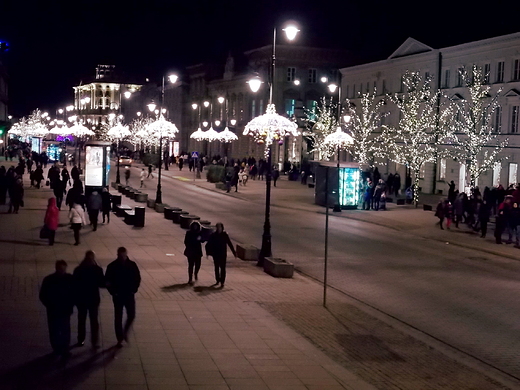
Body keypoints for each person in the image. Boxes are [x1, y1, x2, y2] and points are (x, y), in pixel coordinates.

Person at [105, 247, 141, 347]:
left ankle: (124, 332)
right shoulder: (112, 266)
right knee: (118, 317)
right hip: (118, 295)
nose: (122, 258)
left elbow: (137, 278)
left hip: (129, 294)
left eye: (123, 256)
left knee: (131, 315)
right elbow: (107, 281)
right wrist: (113, 292)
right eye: (120, 256)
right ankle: (120, 338)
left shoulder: (132, 265)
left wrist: (134, 290)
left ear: (126, 255)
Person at [39, 260, 75, 357]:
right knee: (57, 329)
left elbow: (74, 293)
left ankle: (63, 348)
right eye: (60, 269)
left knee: (63, 329)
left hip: (61, 309)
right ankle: (58, 348)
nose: (61, 271)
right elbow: (43, 295)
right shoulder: (50, 280)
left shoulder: (67, 279)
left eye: (63, 269)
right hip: (55, 309)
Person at [73, 251, 105, 348]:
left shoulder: (79, 269)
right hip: (93, 299)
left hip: (82, 299)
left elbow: (74, 285)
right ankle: (94, 342)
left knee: (82, 320)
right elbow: (101, 283)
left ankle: (81, 339)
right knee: (93, 321)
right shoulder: (97, 269)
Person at [205, 223, 237, 288]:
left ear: (222, 228)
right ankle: (217, 279)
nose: (219, 229)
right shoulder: (213, 235)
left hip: (222, 254)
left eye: (220, 227)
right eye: (218, 227)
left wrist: (234, 252)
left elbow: (229, 244)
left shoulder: (225, 235)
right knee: (216, 267)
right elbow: (208, 244)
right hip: (216, 254)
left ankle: (222, 281)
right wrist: (208, 253)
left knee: (223, 268)